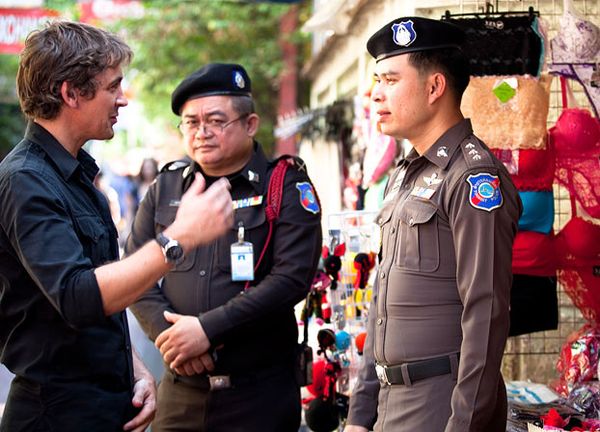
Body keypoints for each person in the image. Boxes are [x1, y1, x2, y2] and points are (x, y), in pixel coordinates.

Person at [0, 21, 233, 432]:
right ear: (71, 93)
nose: (122, 100)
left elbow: (99, 309)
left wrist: (136, 370)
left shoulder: (75, 176)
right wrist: (177, 240)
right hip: (54, 416)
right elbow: (77, 296)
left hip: (100, 407)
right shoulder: (26, 179)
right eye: (113, 87)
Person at [344, 17, 522, 432]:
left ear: (435, 87)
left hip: (441, 406)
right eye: (377, 81)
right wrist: (360, 414)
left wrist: (463, 425)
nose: (375, 95)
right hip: (390, 404)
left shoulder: (474, 177)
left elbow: (487, 312)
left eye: (389, 80)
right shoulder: (402, 174)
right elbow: (382, 305)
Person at [125, 62, 322, 432]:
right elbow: (137, 270)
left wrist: (207, 330)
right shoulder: (166, 188)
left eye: (215, 121)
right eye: (191, 122)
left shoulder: (285, 186)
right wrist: (173, 340)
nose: (202, 133)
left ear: (250, 124)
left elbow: (291, 279)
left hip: (258, 396)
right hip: (181, 392)